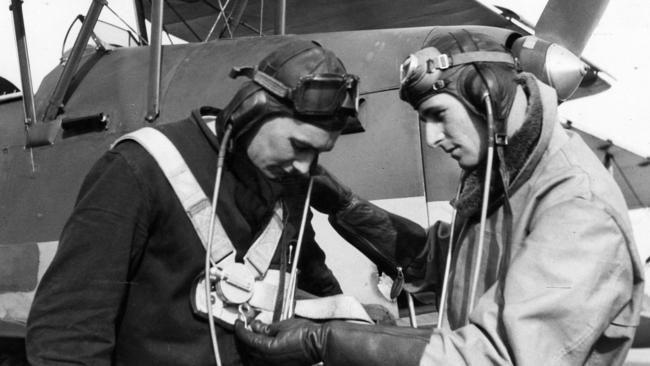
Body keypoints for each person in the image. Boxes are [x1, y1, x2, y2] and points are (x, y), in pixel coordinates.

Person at [234, 29, 645, 365]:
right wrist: (342, 203)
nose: (432, 138)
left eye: (438, 115)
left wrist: (324, 341)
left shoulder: (576, 207)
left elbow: (502, 358)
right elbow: (438, 261)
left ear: (489, 94)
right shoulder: (509, 178)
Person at [25, 39, 361, 365]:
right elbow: (66, 333)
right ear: (252, 112)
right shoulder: (140, 168)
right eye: (300, 146)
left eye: (318, 152)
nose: (306, 166)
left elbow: (318, 289)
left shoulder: (289, 189)